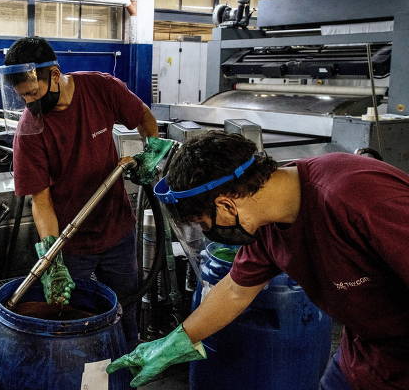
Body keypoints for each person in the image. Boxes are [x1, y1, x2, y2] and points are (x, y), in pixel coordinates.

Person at [107, 131, 409, 389]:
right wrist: (174, 342)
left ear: (225, 205)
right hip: (364, 355)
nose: (208, 232)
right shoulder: (267, 222)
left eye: (203, 223)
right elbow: (237, 289)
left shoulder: (356, 197)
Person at [1, 36, 166, 346]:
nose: (30, 103)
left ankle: (127, 369)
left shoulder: (100, 88)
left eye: (33, 93)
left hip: (116, 230)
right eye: (23, 97)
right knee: (68, 319)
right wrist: (53, 256)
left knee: (125, 310)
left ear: (53, 74)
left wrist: (151, 150)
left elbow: (143, 116)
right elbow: (41, 200)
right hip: (71, 243)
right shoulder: (30, 129)